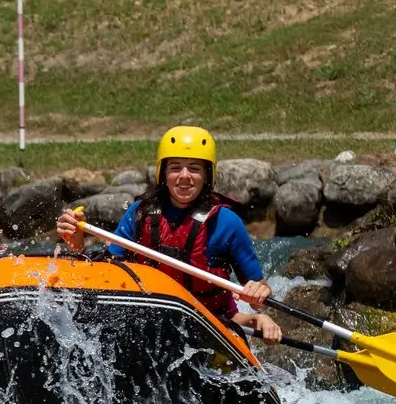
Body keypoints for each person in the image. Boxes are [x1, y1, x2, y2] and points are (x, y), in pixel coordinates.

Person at [55, 125, 282, 343]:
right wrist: (77, 243)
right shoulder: (141, 213)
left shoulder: (226, 223)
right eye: (175, 168)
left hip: (208, 326)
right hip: (146, 324)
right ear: (163, 173)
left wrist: (259, 303)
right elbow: (106, 271)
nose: (184, 176)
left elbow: (260, 295)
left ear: (207, 175)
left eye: (194, 168)